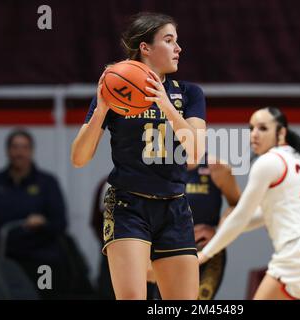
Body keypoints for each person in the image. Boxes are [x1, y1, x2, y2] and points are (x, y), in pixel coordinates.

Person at [71, 12, 206, 300]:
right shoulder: (115, 91)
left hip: (174, 207)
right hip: (128, 205)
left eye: (177, 41)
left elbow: (195, 153)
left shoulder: (190, 94)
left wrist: (166, 105)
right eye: (169, 41)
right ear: (145, 48)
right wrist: (101, 109)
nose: (178, 48)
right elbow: (79, 158)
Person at [198, 107, 300, 300]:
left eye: (263, 128)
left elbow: (241, 215)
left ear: (281, 133)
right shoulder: (298, 159)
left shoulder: (268, 162)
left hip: (299, 254)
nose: (254, 134)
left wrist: (206, 253)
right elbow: (263, 215)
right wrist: (228, 227)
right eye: (251, 128)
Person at [0, 129, 69, 299]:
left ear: (31, 151)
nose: (19, 152)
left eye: (24, 147)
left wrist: (42, 223)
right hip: (0, 257)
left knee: (45, 293)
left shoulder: (47, 183)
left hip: (40, 259)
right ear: (8, 151)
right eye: (15, 147)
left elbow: (60, 223)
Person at [146, 154, 241, 300]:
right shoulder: (158, 167)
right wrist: (146, 259)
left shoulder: (216, 167)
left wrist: (218, 233)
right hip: (167, 251)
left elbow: (237, 206)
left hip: (205, 250)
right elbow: (146, 213)